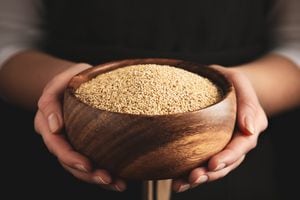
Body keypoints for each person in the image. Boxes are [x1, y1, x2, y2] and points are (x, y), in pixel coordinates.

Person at [0, 0, 299, 199]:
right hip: (62, 167)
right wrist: (61, 91)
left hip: (235, 171)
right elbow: (8, 42)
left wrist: (239, 96)